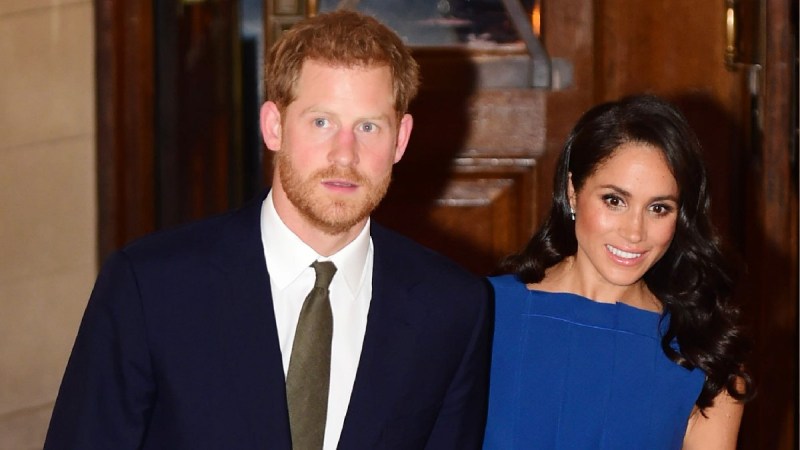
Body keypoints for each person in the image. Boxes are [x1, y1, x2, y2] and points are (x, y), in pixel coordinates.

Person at [44, 10, 491, 450]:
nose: (345, 154)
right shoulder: (151, 286)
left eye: (368, 127)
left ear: (401, 139)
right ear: (274, 126)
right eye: (321, 122)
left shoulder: (451, 309)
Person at [482, 95, 753, 449]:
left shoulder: (703, 359)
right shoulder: (484, 315)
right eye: (614, 200)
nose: (634, 232)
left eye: (659, 208)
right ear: (573, 191)